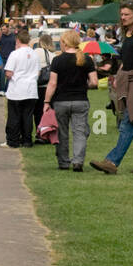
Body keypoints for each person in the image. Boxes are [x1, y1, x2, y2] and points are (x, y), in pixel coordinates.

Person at [90, 0, 133, 174]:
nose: (123, 17)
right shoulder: (128, 34)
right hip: (128, 80)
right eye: (122, 14)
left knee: (129, 120)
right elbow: (126, 60)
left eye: (127, 14)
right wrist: (118, 76)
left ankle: (112, 162)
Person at [43, 29, 97, 171]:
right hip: (80, 100)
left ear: (65, 43)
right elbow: (94, 82)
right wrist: (84, 85)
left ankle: (63, 162)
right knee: (80, 132)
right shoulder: (87, 59)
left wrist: (46, 102)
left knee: (62, 132)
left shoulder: (57, 60)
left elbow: (52, 83)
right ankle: (78, 161)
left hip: (61, 101)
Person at [3, 27, 40, 148]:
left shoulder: (15, 54)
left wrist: (14, 76)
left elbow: (8, 72)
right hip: (31, 89)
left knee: (14, 116)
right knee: (27, 116)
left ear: (17, 40)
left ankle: (13, 140)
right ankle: (27, 140)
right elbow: (38, 72)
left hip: (17, 89)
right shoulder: (34, 54)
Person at [32, 31, 56, 142]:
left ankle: (39, 132)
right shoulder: (53, 55)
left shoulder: (36, 51)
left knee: (37, 112)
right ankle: (46, 134)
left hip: (38, 85)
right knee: (47, 112)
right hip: (49, 86)